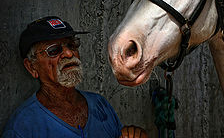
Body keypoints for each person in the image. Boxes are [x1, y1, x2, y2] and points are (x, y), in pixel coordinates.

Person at [2, 16, 148, 138]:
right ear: (32, 67)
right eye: (54, 50)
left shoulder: (100, 105)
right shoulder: (22, 127)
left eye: (71, 45)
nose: (69, 53)